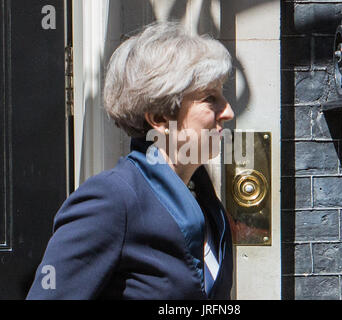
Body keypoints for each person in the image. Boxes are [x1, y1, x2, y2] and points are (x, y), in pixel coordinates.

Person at [26, 21, 235, 300]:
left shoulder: (207, 204)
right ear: (160, 118)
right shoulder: (112, 199)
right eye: (210, 98)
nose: (229, 111)